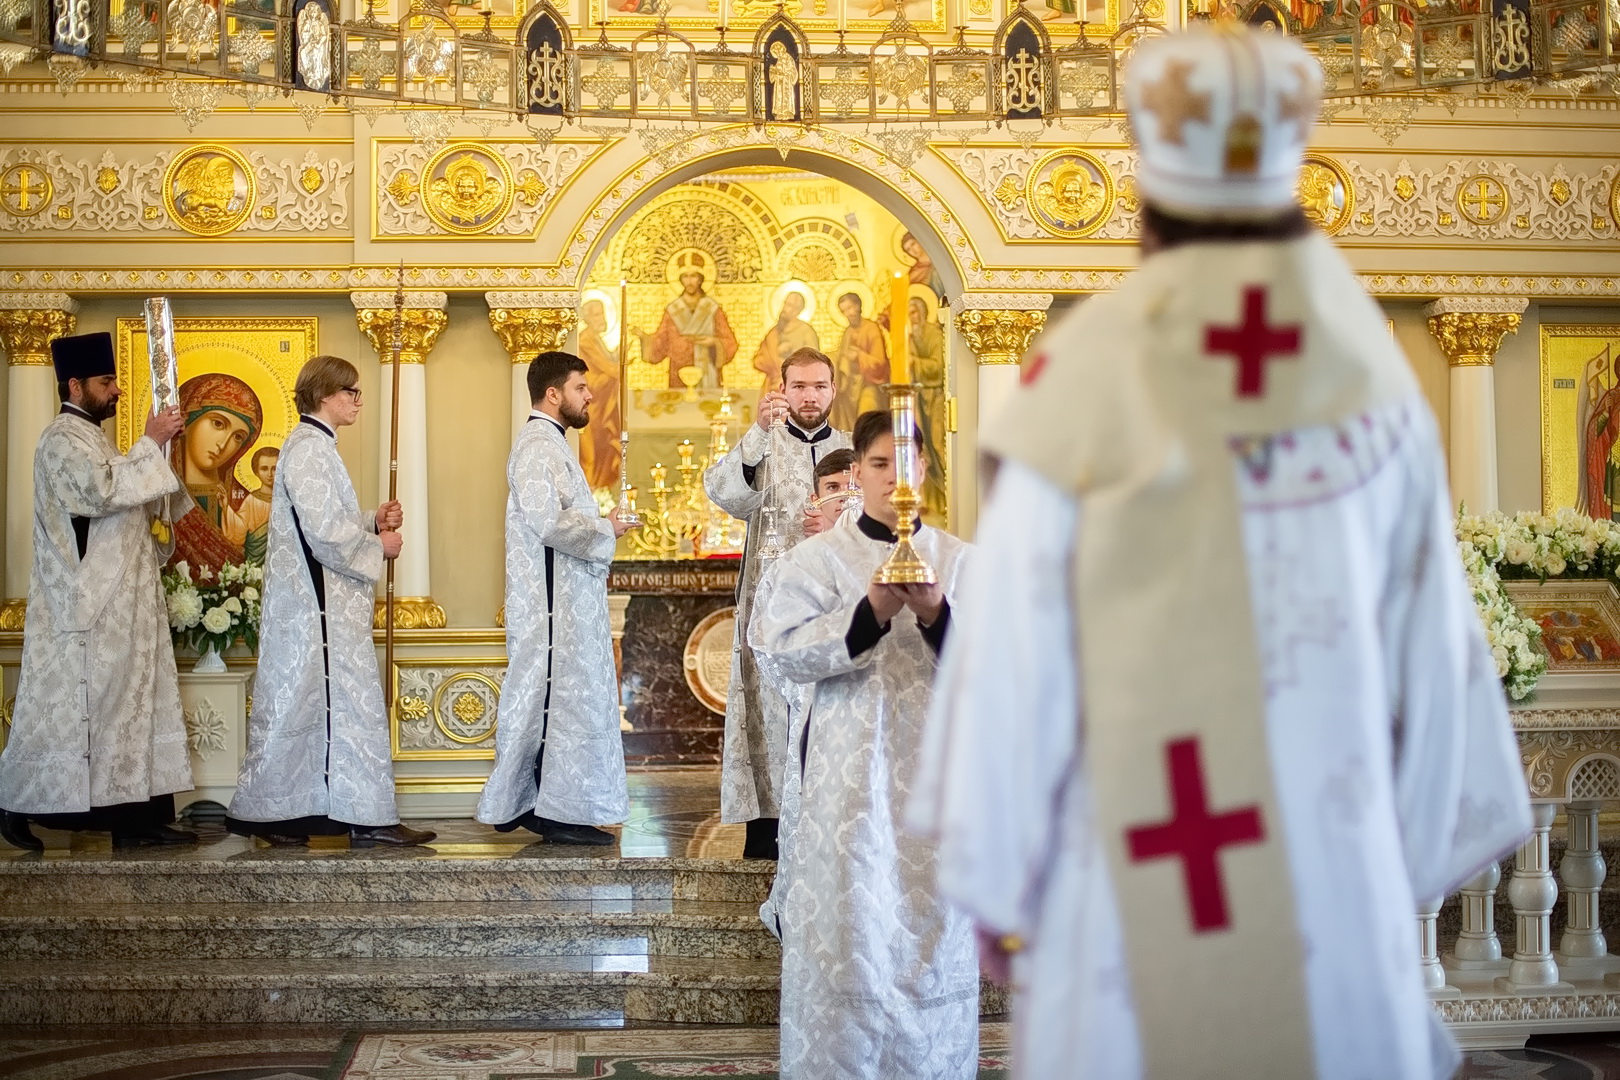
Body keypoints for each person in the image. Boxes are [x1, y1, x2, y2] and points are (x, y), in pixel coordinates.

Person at [907, 26, 1532, 1080]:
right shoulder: (1377, 390)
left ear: (1146, 211)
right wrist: (1381, 865)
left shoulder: (1081, 374)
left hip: (1128, 876)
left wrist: (1001, 877)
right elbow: (1439, 673)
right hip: (1331, 893)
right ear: (1291, 201)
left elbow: (1015, 651)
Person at [753, 409, 978, 1080]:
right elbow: (778, 650)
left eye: (908, 463)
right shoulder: (816, 561)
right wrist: (870, 614)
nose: (893, 478)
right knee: (850, 931)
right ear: (859, 472)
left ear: (927, 473)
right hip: (847, 786)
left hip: (936, 787)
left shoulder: (963, 562)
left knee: (929, 934)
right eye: (880, 464)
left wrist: (939, 615)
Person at [226, 355, 434, 848]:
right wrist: (376, 547)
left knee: (319, 709)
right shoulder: (310, 450)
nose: (358, 401)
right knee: (337, 708)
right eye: (351, 392)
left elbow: (321, 521)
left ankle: (303, 815)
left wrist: (369, 519)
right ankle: (344, 816)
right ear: (325, 395)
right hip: (319, 614)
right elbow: (322, 535)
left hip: (325, 611)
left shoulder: (314, 447)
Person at [0, 332, 195, 851]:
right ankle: (16, 806)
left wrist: (159, 474)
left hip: (123, 602)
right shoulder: (61, 438)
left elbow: (128, 501)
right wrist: (151, 443)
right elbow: (102, 492)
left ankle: (137, 820)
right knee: (74, 710)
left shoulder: (97, 439)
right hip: (86, 603)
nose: (115, 392)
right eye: (106, 382)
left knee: (126, 710)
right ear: (75, 384)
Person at [477, 351, 638, 845]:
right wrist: (605, 528)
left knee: (568, 699)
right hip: (551, 610)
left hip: (566, 602)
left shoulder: (553, 443)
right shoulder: (537, 446)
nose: (589, 395)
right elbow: (549, 523)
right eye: (579, 388)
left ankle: (553, 804)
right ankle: (547, 809)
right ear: (553, 394)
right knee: (553, 699)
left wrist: (600, 526)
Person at [703, 348, 851, 860]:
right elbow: (723, 494)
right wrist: (753, 436)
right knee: (767, 706)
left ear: (834, 390)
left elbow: (878, 519)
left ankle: (827, 820)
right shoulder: (762, 444)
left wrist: (836, 525)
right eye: (799, 386)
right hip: (772, 601)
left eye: (819, 386)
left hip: (833, 602)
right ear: (782, 389)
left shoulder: (852, 451)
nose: (809, 396)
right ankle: (766, 830)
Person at [169, 372, 264, 576]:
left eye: (238, 437)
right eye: (218, 424)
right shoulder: (160, 497)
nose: (223, 444)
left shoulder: (243, 505)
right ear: (187, 420)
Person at [635, 254, 739, 389]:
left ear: (700, 279)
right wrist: (644, 338)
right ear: (680, 279)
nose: (689, 282)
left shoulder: (712, 308)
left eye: (693, 276)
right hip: (679, 370)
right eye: (685, 276)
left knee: (708, 406)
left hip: (707, 368)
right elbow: (660, 341)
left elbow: (730, 341)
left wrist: (713, 342)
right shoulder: (672, 310)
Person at [576, 298, 622, 492]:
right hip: (591, 404)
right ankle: (589, 490)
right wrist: (622, 365)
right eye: (596, 314)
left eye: (602, 313)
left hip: (603, 403)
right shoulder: (586, 340)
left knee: (603, 449)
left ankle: (599, 489)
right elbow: (608, 368)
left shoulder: (596, 339)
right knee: (590, 453)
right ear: (586, 318)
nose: (601, 318)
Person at [830, 293, 887, 431]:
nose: (848, 313)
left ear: (858, 306)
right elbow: (842, 356)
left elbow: (879, 362)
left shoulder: (871, 328)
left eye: (850, 308)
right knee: (844, 425)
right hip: (849, 387)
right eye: (844, 311)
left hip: (868, 385)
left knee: (867, 417)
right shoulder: (847, 333)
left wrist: (859, 356)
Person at [753, 290, 821, 394]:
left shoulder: (806, 331)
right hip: (772, 388)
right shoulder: (773, 333)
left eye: (791, 306)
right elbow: (758, 360)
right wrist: (773, 358)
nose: (786, 309)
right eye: (786, 304)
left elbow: (813, 363)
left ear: (798, 310)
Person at [233, 445, 278, 563]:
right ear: (256, 471)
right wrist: (226, 506)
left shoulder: (287, 499)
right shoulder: (251, 500)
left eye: (275, 468)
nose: (270, 474)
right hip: (255, 559)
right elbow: (239, 528)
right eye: (264, 468)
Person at [801, 447, 856, 538]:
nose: (845, 496)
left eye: (854, 487)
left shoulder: (886, 546)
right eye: (833, 487)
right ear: (816, 500)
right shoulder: (806, 551)